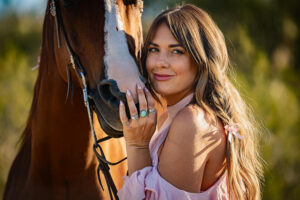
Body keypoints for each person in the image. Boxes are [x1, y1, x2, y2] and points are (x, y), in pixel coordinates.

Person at [118, 4, 263, 200]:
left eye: (176, 51)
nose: (160, 62)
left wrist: (137, 145)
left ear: (201, 59)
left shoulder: (191, 122)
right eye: (154, 49)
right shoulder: (171, 118)